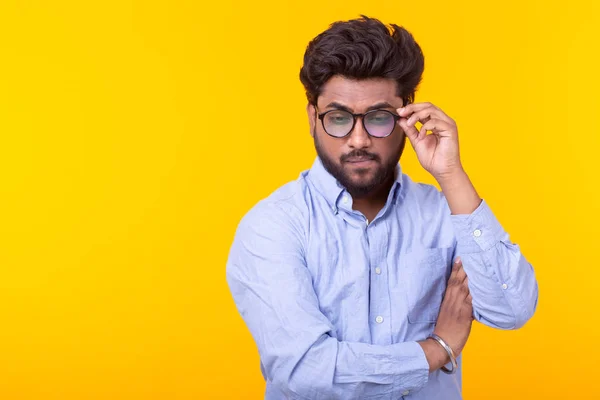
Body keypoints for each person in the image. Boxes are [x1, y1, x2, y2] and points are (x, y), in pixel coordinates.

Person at [226, 15, 538, 400]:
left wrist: (451, 173)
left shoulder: (446, 215)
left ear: (407, 115)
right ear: (312, 118)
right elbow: (307, 369)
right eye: (338, 118)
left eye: (378, 118)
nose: (358, 140)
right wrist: (438, 348)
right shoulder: (273, 225)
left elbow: (512, 309)